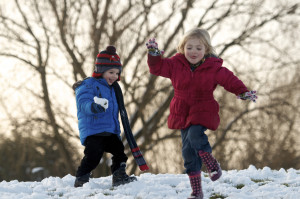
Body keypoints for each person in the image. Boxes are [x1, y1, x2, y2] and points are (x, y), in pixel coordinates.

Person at [146, 28, 257, 199]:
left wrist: (242, 92)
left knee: (195, 134)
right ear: (182, 48)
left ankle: (211, 162)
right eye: (189, 47)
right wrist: (154, 54)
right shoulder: (175, 64)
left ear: (206, 49)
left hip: (203, 107)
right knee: (187, 152)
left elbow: (229, 79)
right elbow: (157, 68)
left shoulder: (213, 67)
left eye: (199, 48)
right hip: (182, 110)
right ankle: (196, 191)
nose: (193, 52)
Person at [72, 45, 137, 187]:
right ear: (101, 70)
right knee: (93, 156)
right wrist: (93, 107)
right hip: (94, 130)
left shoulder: (114, 89)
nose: (114, 76)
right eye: (111, 72)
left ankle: (119, 176)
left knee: (120, 153)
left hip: (110, 130)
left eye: (116, 73)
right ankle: (81, 177)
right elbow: (83, 103)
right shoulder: (89, 85)